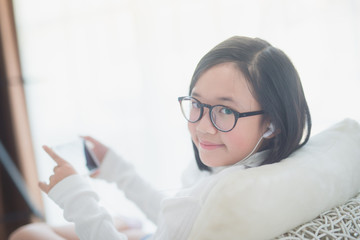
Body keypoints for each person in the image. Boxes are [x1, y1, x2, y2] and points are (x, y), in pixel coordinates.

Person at [9, 36, 311, 240]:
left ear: (271, 124)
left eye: (224, 110)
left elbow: (181, 214)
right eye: (197, 103)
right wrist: (117, 170)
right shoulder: (248, 168)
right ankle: (128, 227)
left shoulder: (225, 191)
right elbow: (176, 218)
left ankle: (126, 227)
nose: (203, 126)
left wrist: (76, 196)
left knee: (25, 235)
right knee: (121, 224)